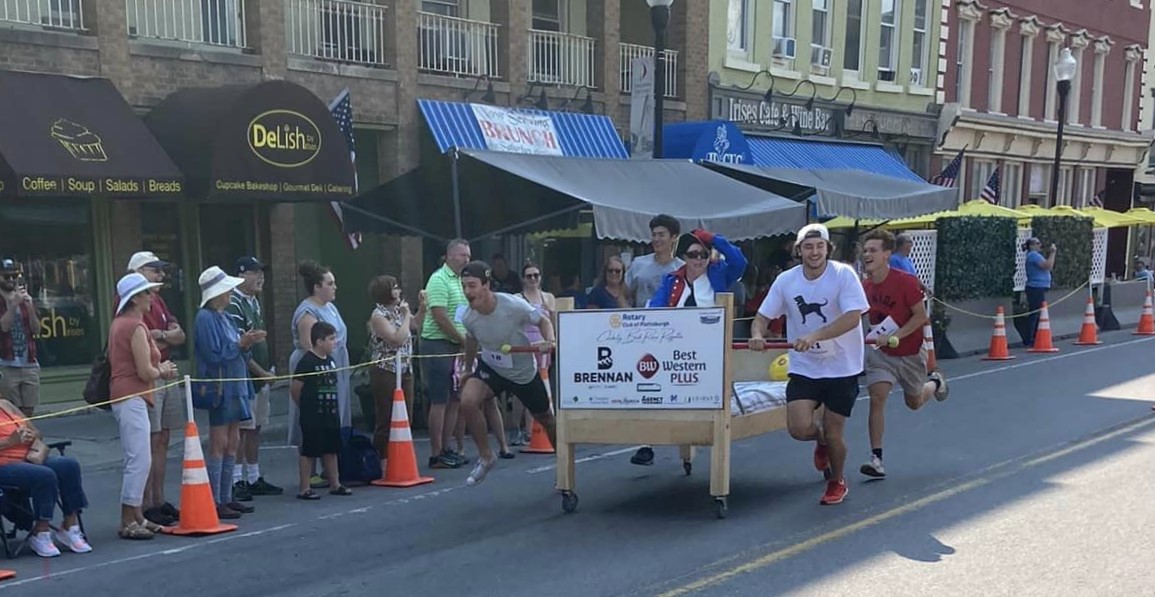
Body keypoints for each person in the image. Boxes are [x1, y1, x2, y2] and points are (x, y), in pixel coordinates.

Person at [748, 224, 869, 506]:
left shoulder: (843, 274)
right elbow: (762, 317)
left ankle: (836, 481)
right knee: (799, 428)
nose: (814, 252)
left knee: (835, 430)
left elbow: (853, 317)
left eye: (819, 246)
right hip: (805, 366)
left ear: (828, 248)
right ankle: (820, 440)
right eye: (808, 247)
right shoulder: (786, 280)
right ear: (799, 250)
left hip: (842, 367)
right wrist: (757, 335)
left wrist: (815, 335)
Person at [630, 229, 748, 467]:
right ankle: (646, 444)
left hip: (711, 348)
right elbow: (656, 307)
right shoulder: (672, 280)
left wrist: (713, 240)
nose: (698, 260)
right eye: (693, 255)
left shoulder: (719, 272)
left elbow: (739, 261)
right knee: (650, 383)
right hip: (676, 347)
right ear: (684, 257)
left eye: (703, 254)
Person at [858, 230, 949, 479]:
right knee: (877, 397)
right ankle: (876, 459)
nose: (867, 255)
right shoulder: (864, 287)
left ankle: (935, 382)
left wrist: (898, 334)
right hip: (880, 354)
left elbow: (921, 316)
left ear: (887, 254)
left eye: (873, 250)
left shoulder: (906, 281)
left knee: (914, 402)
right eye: (865, 251)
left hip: (909, 352)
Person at [455, 262, 557, 486]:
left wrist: (549, 340)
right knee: (467, 401)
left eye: (472, 285)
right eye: (464, 286)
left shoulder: (513, 305)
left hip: (522, 372)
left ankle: (563, 463)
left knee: (546, 419)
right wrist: (468, 369)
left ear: (486, 285)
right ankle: (486, 456)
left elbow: (543, 321)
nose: (467, 292)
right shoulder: (468, 316)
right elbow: (471, 339)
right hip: (492, 366)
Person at [109, 272, 179, 539]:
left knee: (139, 457)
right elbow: (144, 371)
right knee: (139, 459)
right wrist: (163, 370)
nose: (152, 296)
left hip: (127, 395)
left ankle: (137, 515)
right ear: (135, 298)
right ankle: (128, 519)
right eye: (147, 292)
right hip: (132, 395)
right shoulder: (134, 326)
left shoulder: (121, 323)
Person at [121, 251, 186, 527]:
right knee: (150, 439)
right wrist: (161, 336)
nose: (160, 275)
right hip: (151, 374)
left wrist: (162, 335)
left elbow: (179, 334)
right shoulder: (131, 305)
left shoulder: (157, 300)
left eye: (161, 270)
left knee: (163, 437)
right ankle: (145, 504)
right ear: (137, 272)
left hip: (166, 369)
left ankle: (159, 499)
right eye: (154, 269)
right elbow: (145, 343)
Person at [195, 266, 264, 520]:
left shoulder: (225, 316)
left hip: (236, 384)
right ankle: (215, 499)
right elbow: (213, 355)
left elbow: (236, 347)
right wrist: (240, 345)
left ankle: (227, 496)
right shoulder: (205, 318)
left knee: (233, 440)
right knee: (219, 442)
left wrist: (246, 342)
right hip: (221, 385)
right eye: (226, 290)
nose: (230, 293)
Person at [0, 397, 92, 556]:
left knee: (69, 465)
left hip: (30, 458)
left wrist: (31, 435)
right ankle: (40, 532)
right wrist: (10, 441)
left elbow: (38, 433)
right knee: (44, 475)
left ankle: (69, 526)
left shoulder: (5, 405)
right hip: (5, 465)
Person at [288, 260, 351, 488]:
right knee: (312, 417)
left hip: (334, 364)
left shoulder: (330, 307)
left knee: (331, 416)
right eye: (330, 283)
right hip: (315, 369)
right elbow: (309, 347)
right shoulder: (307, 312)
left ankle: (330, 472)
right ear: (316, 287)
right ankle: (310, 473)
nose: (335, 287)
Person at [226, 257, 283, 501]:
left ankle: (253, 476)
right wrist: (262, 373)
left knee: (256, 427)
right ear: (240, 275)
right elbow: (240, 347)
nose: (260, 277)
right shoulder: (234, 303)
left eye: (261, 272)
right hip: (246, 378)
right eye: (254, 272)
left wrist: (268, 370)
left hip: (260, 378)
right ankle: (236, 480)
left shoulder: (254, 302)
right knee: (242, 428)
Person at [419, 240, 472, 469]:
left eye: (468, 255)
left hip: (455, 346)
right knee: (439, 399)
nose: (466, 259)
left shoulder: (462, 281)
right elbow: (440, 315)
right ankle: (436, 453)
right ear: (449, 256)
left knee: (454, 398)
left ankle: (446, 447)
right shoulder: (438, 279)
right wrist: (462, 339)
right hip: (437, 344)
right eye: (462, 255)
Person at [367, 275, 425, 472]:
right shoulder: (378, 316)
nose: (399, 290)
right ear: (386, 292)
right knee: (386, 415)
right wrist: (407, 316)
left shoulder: (399, 311)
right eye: (395, 287)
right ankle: (382, 459)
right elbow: (396, 339)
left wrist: (422, 307)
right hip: (386, 369)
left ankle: (399, 458)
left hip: (405, 368)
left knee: (406, 414)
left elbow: (416, 325)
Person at [292, 321, 352, 500]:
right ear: (319, 341)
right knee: (309, 450)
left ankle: (335, 483)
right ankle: (305, 487)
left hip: (330, 414)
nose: (335, 342)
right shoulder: (307, 362)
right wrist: (304, 406)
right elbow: (295, 388)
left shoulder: (331, 361)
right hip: (313, 415)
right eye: (331, 339)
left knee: (331, 450)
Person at [511, 262, 557, 448]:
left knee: (540, 385)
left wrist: (553, 342)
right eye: (529, 276)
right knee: (520, 386)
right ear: (523, 279)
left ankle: (535, 430)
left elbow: (552, 322)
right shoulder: (518, 298)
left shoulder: (548, 297)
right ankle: (517, 428)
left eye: (536, 275)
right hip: (524, 344)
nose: (533, 279)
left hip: (543, 345)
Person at [0, 258, 41, 418]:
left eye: (14, 276)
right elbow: (4, 327)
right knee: (12, 411)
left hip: (29, 362)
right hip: (7, 364)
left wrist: (29, 306)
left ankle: (27, 433)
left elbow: (36, 329)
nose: (11, 279)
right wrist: (13, 305)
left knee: (29, 410)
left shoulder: (23, 298)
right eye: (6, 276)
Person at [625, 214, 683, 308]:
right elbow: (624, 293)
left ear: (673, 237)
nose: (656, 239)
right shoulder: (638, 263)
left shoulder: (682, 268)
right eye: (654, 235)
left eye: (661, 235)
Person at [1023, 237, 1057, 348]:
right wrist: (1053, 253)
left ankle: (1033, 337)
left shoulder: (1035, 255)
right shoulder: (1033, 255)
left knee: (1037, 313)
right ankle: (1030, 338)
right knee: (1035, 313)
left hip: (1038, 287)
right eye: (1037, 243)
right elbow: (1047, 266)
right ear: (1032, 246)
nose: (1040, 245)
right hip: (1035, 287)